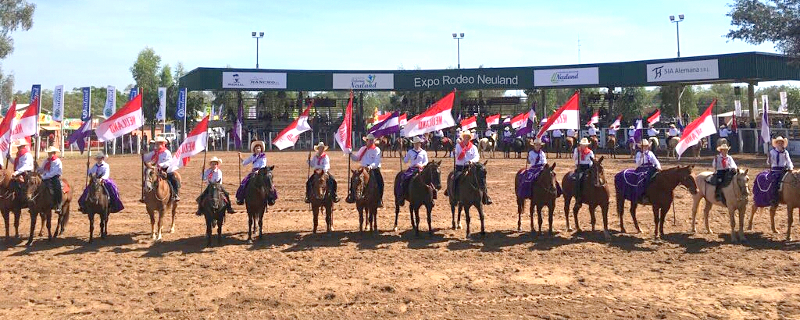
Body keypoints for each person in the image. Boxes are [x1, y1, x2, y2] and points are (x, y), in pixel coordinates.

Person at [447, 131, 492, 204]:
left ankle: (485, 196)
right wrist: (454, 152)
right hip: (460, 167)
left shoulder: (473, 147)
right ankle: (453, 194)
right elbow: (453, 155)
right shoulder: (458, 146)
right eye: (465, 137)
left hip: (470, 167)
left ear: (469, 139)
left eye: (468, 137)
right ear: (463, 138)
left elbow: (477, 156)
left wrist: (472, 161)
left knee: (481, 178)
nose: (466, 139)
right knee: (455, 178)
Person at [347, 133, 384, 207]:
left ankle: (379, 199)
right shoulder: (363, 149)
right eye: (369, 140)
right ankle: (352, 195)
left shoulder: (377, 150)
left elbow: (376, 162)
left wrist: (370, 167)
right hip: (362, 168)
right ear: (366, 141)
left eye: (371, 140)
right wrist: (350, 154)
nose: (370, 142)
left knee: (380, 181)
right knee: (354, 178)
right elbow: (357, 158)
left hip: (373, 169)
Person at [236, 140, 277, 206]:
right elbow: (244, 163)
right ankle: (241, 198)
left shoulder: (263, 156)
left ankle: (271, 198)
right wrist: (240, 157)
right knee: (244, 182)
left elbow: (263, 165)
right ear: (254, 149)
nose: (258, 149)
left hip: (262, 172)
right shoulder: (252, 156)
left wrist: (258, 171)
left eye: (259, 148)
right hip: (254, 172)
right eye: (256, 148)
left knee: (269, 183)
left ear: (261, 149)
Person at [142, 137, 180, 202]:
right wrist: (143, 154)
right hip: (155, 169)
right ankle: (145, 195)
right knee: (147, 178)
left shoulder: (166, 152)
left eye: (157, 143)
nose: (156, 145)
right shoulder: (154, 152)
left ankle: (175, 194)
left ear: (162, 144)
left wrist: (160, 165)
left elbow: (169, 161)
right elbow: (146, 158)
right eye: (155, 143)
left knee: (173, 179)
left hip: (165, 169)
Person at [396, 136, 429, 202]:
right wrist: (401, 154)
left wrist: (421, 165)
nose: (416, 144)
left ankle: (431, 197)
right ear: (413, 144)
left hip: (421, 168)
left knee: (429, 179)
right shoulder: (410, 152)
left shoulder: (423, 152)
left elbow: (426, 161)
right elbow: (405, 161)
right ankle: (403, 194)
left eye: (418, 143)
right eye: (415, 143)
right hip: (412, 168)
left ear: (420, 143)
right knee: (404, 178)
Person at [768, 136, 793, 205]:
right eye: (779, 143)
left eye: (781, 143)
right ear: (776, 144)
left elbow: (789, 161)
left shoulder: (785, 152)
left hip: (783, 170)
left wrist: (790, 167)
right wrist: (769, 160)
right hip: (775, 170)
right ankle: (774, 198)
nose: (780, 144)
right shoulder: (772, 152)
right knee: (774, 182)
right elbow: (768, 162)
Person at [635, 139, 661, 204]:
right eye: (644, 146)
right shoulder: (639, 154)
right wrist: (641, 158)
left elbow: (655, 161)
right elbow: (638, 164)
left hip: (651, 168)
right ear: (641, 147)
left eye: (646, 146)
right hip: (642, 168)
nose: (645, 147)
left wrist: (659, 167)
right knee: (644, 179)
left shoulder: (650, 153)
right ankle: (644, 195)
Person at [39, 146, 64, 214]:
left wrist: (44, 177)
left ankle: (58, 204)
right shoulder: (46, 160)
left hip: (54, 177)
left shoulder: (57, 161)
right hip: (45, 177)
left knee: (57, 188)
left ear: (54, 153)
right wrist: (37, 168)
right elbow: (42, 169)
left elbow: (53, 172)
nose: (49, 154)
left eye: (50, 153)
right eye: (48, 153)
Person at [572, 138, 594, 202]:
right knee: (579, 179)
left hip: (588, 167)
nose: (583, 146)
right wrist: (578, 153)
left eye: (585, 145)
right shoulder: (576, 150)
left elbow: (591, 161)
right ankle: (578, 195)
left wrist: (589, 166)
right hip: (580, 167)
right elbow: (574, 158)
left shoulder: (590, 152)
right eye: (582, 145)